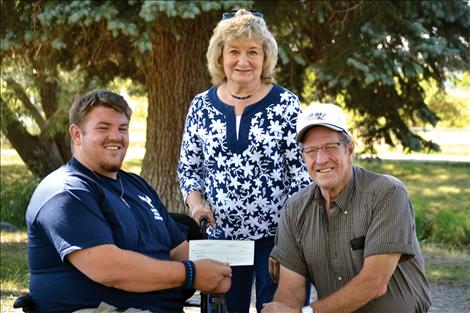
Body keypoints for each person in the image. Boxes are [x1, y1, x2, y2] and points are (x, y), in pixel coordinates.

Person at [25, 89, 232, 313]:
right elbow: (109, 269)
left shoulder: (136, 186)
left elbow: (178, 250)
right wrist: (192, 274)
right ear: (76, 134)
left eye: (122, 128)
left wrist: (222, 266)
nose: (115, 136)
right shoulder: (66, 191)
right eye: (103, 128)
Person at [177, 8, 310, 313]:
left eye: (253, 52)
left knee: (277, 309)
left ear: (265, 58)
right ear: (220, 56)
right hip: (220, 240)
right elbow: (190, 167)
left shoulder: (286, 104)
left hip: (276, 240)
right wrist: (196, 205)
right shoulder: (200, 106)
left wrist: (288, 241)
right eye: (234, 51)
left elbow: (301, 177)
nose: (243, 61)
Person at [262, 103, 432, 313]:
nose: (321, 159)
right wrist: (282, 310)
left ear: (350, 149)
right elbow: (291, 290)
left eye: (330, 147)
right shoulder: (294, 210)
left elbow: (374, 283)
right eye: (311, 150)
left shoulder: (387, 193)